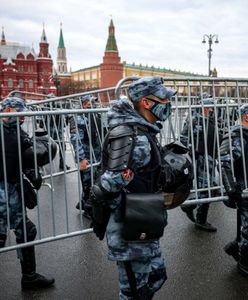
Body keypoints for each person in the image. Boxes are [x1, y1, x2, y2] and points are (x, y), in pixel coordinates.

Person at [89, 76, 177, 299]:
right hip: (130, 226)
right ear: (146, 102)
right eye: (163, 99)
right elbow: (109, 183)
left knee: (157, 276)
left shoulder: (143, 130)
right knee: (133, 292)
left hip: (145, 218)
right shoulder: (134, 136)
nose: (168, 104)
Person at [0, 97, 55, 289]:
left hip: (13, 189)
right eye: (19, 113)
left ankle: (29, 277)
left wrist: (33, 171)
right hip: (2, 191)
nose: (23, 117)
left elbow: (27, 154)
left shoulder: (16, 130)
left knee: (26, 231)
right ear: (7, 110)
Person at [180, 93, 218, 232]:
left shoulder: (211, 118)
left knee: (211, 188)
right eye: (209, 106)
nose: (212, 109)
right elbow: (183, 139)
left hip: (211, 157)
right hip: (201, 158)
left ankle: (189, 205)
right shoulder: (194, 120)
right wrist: (192, 153)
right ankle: (200, 221)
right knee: (208, 188)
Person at [220, 103, 248, 276]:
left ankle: (234, 247)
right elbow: (224, 162)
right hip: (244, 190)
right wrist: (233, 190)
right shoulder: (236, 136)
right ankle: (244, 264)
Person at [69, 94, 102, 217]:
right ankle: (88, 210)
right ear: (84, 103)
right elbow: (75, 139)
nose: (94, 103)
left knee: (95, 181)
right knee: (88, 184)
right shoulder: (77, 117)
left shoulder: (96, 115)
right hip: (87, 158)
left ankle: (83, 203)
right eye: (91, 101)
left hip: (97, 155)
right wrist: (81, 159)